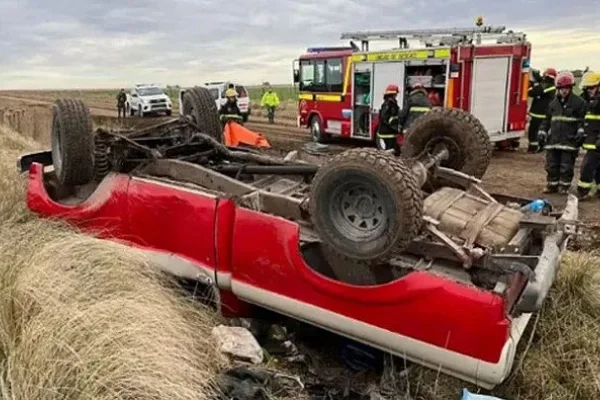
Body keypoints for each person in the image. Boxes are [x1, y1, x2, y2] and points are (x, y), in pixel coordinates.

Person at [538, 71, 587, 194]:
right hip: (553, 141)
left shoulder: (579, 103)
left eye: (567, 88)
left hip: (569, 141)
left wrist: (581, 131)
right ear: (558, 89)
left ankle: (563, 186)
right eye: (561, 88)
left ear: (571, 88)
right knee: (551, 165)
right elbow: (547, 120)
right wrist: (542, 132)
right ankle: (551, 185)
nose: (564, 91)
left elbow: (582, 120)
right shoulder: (553, 104)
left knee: (566, 166)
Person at [576, 71, 600, 199]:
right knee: (598, 168)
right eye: (587, 88)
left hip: (597, 143)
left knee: (588, 166)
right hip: (592, 141)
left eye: (591, 87)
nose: (589, 90)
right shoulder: (591, 102)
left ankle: (582, 191)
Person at [526, 68, 557, 152]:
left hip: (538, 113)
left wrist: (530, 85)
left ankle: (533, 148)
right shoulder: (550, 86)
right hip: (544, 113)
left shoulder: (546, 86)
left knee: (533, 131)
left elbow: (532, 92)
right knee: (542, 131)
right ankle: (541, 146)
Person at [376, 84, 401, 154]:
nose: (396, 96)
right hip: (387, 133)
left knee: (394, 151)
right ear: (393, 94)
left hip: (390, 132)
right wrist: (395, 126)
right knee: (389, 152)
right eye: (396, 94)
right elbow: (386, 118)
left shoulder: (391, 103)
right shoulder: (388, 104)